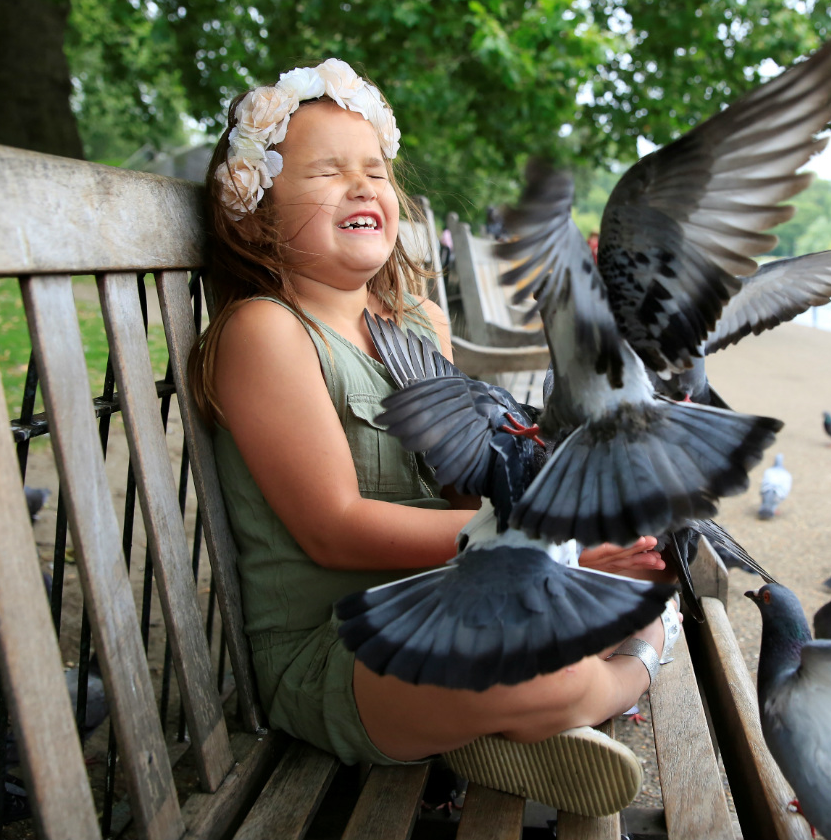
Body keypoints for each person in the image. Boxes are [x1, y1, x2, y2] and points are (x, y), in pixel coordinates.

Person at [190, 59, 670, 816]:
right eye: (326, 172)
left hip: (441, 597)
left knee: (622, 565)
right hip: (338, 649)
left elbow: (460, 480)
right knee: (556, 660)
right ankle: (628, 668)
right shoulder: (266, 332)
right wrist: (552, 548)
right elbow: (334, 530)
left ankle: (495, 722)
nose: (364, 187)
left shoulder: (414, 325)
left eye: (376, 171)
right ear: (256, 214)